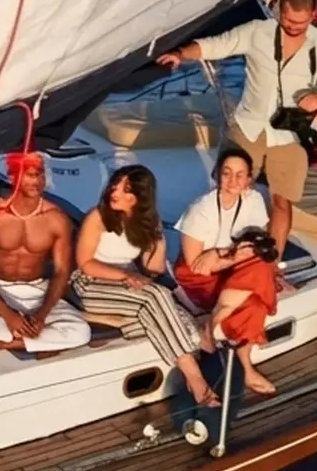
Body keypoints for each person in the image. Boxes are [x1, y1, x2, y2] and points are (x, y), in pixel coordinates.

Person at [156, 0, 317, 257]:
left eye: (302, 24)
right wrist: (180, 54)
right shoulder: (257, 32)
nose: (295, 28)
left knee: (282, 202)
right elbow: (217, 45)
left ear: (312, 16)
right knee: (231, 190)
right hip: (249, 126)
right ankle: (216, 251)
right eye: (290, 21)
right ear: (280, 10)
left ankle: (273, 262)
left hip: (291, 135)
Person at [72, 166, 218, 406]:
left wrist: (157, 241)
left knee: (162, 314)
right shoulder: (98, 217)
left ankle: (111, 319)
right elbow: (85, 263)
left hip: (127, 282)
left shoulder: (146, 222)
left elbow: (154, 270)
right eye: (115, 184)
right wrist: (124, 276)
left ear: (140, 196)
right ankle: (195, 378)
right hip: (91, 283)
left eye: (126, 189)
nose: (115, 191)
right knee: (160, 301)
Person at [0, 152, 90, 354]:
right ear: (13, 178)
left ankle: (8, 343)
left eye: (40, 175)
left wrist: (41, 316)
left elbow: (62, 271)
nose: (36, 181)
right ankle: (37, 340)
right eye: (29, 175)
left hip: (37, 290)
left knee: (81, 332)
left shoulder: (57, 219)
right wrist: (7, 314)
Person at [172, 146, 273, 312]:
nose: (233, 180)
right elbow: (197, 266)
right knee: (248, 302)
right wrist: (235, 255)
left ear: (248, 179)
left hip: (232, 263)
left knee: (261, 267)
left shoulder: (254, 200)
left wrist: (216, 254)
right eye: (227, 173)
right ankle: (217, 327)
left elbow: (259, 244)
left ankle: (222, 324)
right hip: (200, 276)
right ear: (218, 175)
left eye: (240, 175)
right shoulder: (200, 209)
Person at [203, 227, 283, 397]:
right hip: (214, 305)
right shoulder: (255, 270)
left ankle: (245, 368)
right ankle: (247, 370)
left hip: (226, 302)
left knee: (254, 306)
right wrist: (208, 334)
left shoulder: (260, 267)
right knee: (253, 308)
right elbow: (225, 306)